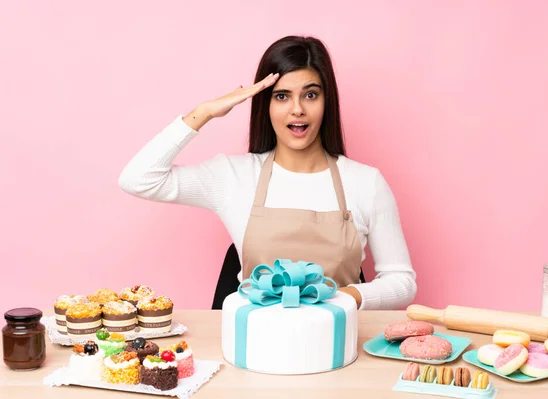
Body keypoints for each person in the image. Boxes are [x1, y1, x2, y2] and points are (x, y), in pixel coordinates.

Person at [118, 35, 416, 310]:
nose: (297, 109)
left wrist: (340, 298)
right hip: (254, 353)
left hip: (340, 347)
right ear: (265, 104)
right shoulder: (234, 177)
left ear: (328, 102)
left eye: (310, 95)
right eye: (282, 96)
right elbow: (137, 180)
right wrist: (205, 112)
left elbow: (402, 282)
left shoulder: (366, 182)